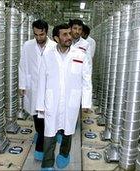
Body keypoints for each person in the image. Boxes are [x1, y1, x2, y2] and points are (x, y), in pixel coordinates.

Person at [36, 23, 92, 170]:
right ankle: (47, 163)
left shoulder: (80, 55)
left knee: (68, 130)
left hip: (70, 100)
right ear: (56, 38)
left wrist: (86, 102)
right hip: (52, 100)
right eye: (65, 34)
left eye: (69, 33)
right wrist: (40, 106)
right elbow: (42, 81)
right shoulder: (48, 56)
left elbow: (86, 80)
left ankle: (64, 154)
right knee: (49, 133)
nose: (69, 37)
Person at [18, 19, 56, 161]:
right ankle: (40, 134)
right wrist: (22, 85)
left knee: (45, 119)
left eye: (41, 34)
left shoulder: (54, 46)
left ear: (46, 32)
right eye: (36, 35)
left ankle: (40, 148)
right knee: (36, 116)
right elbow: (22, 65)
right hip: (33, 87)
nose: (38, 38)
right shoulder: (27, 45)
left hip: (48, 89)